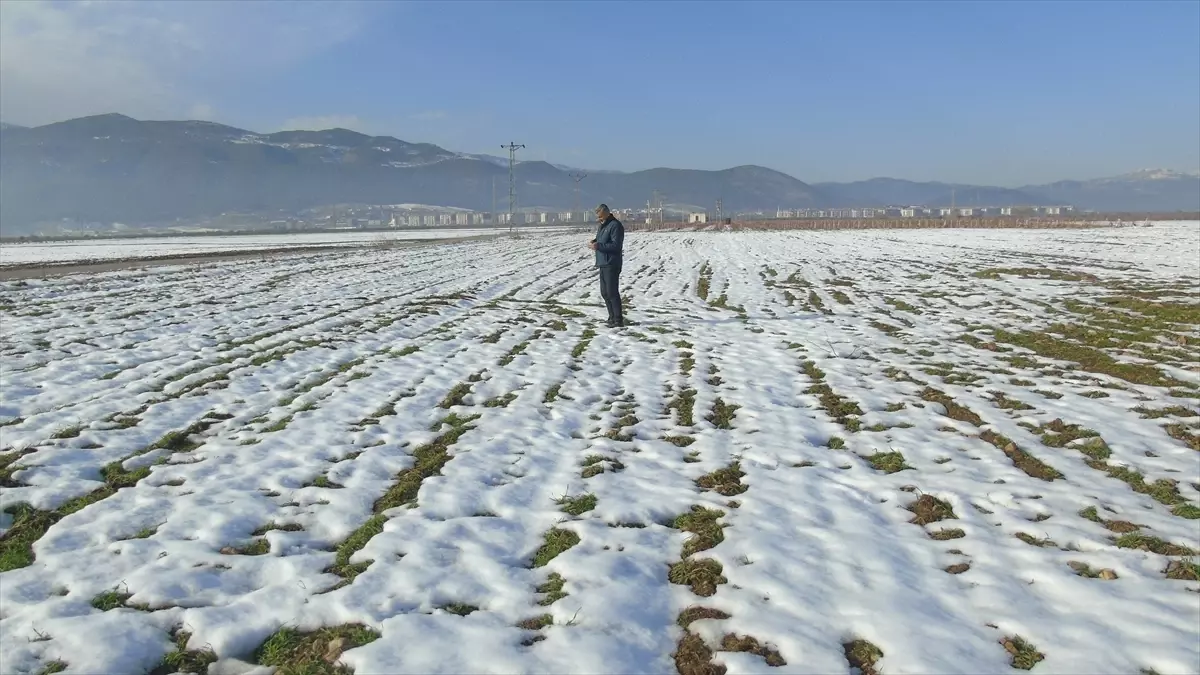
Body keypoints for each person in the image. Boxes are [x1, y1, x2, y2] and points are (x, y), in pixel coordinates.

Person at [588, 204, 624, 327]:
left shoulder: (615, 225)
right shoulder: (603, 226)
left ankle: (618, 319)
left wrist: (599, 246)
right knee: (604, 292)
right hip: (603, 262)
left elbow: (616, 246)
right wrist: (595, 242)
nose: (598, 217)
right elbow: (602, 239)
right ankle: (611, 317)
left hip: (612, 263)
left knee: (612, 292)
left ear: (605, 213)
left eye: (599, 215)